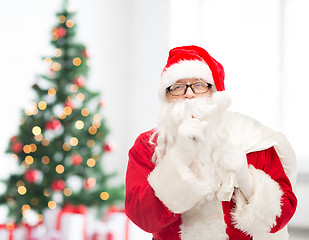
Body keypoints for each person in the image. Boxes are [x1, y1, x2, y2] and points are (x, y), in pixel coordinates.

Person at [125, 45, 297, 240]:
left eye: (198, 84)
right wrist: (179, 159)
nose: (189, 94)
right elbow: (143, 218)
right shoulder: (149, 145)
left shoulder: (248, 138)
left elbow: (281, 215)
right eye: (178, 87)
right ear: (166, 97)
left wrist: (246, 179)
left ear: (214, 92)